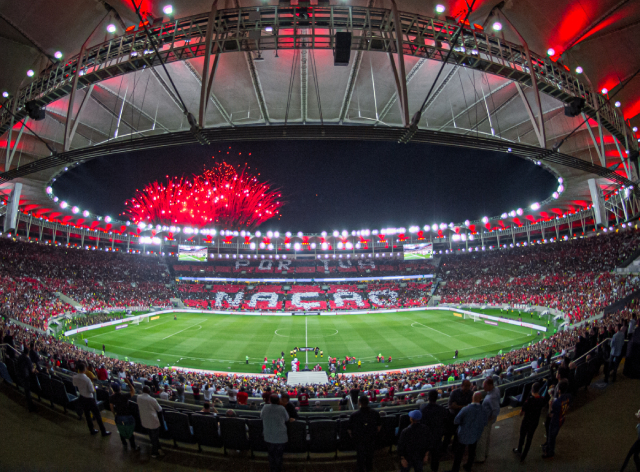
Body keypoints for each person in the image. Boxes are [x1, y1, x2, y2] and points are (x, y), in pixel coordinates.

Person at [451, 392, 488, 472]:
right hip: (475, 435)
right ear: (481, 399)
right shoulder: (483, 410)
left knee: (459, 453)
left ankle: (455, 469)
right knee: (472, 452)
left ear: (472, 398)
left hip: (463, 435)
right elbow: (485, 422)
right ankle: (468, 467)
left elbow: (456, 421)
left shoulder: (466, 409)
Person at [73, 362, 111, 437]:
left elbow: (75, 385)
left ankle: (92, 430)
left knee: (87, 415)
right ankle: (103, 431)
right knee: (97, 415)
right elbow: (92, 390)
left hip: (82, 397)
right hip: (89, 399)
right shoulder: (87, 379)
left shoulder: (75, 377)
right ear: (84, 369)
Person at [512, 382, 546, 462]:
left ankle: (519, 450)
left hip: (526, 421)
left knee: (522, 436)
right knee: (529, 439)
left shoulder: (529, 400)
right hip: (535, 422)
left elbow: (521, 413)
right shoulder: (542, 399)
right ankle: (524, 456)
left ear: (532, 390)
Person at [348, 396, 381, 472]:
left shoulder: (354, 415)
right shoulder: (375, 413)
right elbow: (378, 427)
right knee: (370, 458)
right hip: (371, 440)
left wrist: (355, 438)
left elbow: (350, 430)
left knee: (360, 458)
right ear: (368, 402)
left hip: (359, 441)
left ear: (359, 403)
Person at [420, 389, 448, 471]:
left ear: (428, 398)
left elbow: (422, 424)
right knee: (435, 458)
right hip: (437, 436)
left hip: (426, 437)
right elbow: (445, 423)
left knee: (423, 456)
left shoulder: (424, 410)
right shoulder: (442, 410)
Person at [261, 393, 289, 472]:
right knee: (279, 456)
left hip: (268, 436)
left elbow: (261, 416)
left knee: (271, 455)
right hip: (281, 437)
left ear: (270, 400)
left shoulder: (265, 407)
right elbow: (287, 419)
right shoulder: (282, 408)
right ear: (278, 400)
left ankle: (272, 469)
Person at [543, 381, 570, 459]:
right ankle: (548, 448)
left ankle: (550, 452)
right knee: (553, 436)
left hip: (555, 421)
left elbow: (551, 414)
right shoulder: (567, 397)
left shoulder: (556, 403)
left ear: (559, 390)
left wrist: (550, 405)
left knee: (551, 437)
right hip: (562, 419)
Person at [443, 379, 473, 452]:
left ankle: (454, 449)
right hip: (453, 417)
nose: (468, 388)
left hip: (463, 418)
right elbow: (450, 405)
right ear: (462, 386)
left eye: (469, 386)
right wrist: (464, 407)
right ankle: (443, 450)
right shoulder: (455, 393)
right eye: (466, 386)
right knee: (449, 434)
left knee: (458, 435)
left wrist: (458, 406)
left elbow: (471, 407)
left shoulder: (471, 393)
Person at [109, 378, 139, 450]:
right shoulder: (124, 396)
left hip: (118, 416)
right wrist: (128, 383)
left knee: (121, 430)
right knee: (130, 431)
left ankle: (124, 443)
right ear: (119, 388)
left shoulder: (111, 397)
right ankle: (133, 446)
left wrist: (114, 415)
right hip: (127, 416)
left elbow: (111, 408)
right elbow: (133, 391)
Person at [476, 377, 500, 463]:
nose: (484, 388)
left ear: (490, 385)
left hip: (486, 420)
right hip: (488, 419)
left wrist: (489, 419)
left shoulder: (491, 397)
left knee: (482, 439)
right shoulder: (496, 390)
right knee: (486, 436)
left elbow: (496, 410)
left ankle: (480, 458)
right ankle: (485, 454)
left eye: (485, 386)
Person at [138, 385, 165, 458]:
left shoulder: (138, 397)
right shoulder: (152, 399)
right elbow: (159, 409)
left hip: (144, 420)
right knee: (155, 437)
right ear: (149, 391)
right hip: (153, 421)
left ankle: (158, 448)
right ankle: (154, 452)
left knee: (152, 436)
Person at [16, 346, 35, 412]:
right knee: (27, 391)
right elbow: (32, 370)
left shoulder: (20, 356)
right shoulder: (27, 358)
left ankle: (30, 404)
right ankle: (31, 407)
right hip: (25, 376)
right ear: (28, 353)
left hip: (19, 375)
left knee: (26, 391)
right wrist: (35, 369)